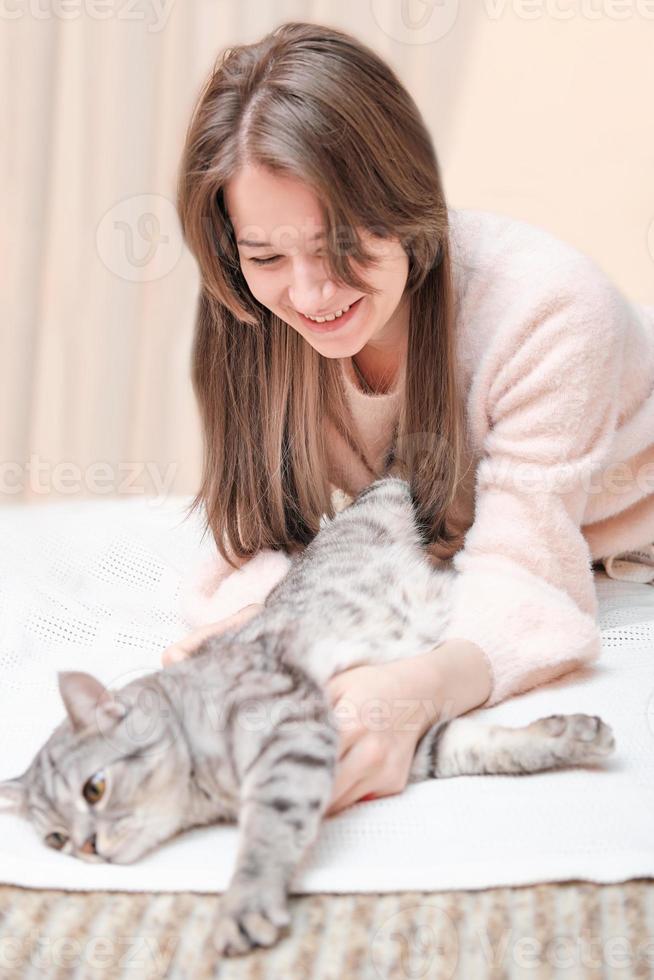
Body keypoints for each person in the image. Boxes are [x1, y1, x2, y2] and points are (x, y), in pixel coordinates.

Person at [161, 21, 654, 815]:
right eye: (266, 257)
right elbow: (257, 538)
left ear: (407, 199)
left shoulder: (551, 311)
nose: (312, 296)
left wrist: (409, 696)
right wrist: (267, 628)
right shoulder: (251, 316)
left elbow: (531, 584)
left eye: (343, 242)